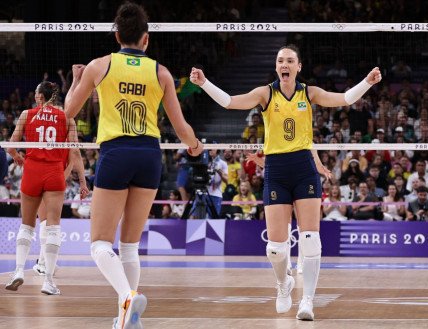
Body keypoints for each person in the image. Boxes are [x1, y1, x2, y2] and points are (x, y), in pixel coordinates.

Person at [190, 45, 381, 320]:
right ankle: (283, 284)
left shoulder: (309, 92)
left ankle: (308, 301)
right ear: (276, 66)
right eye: (281, 60)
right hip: (277, 169)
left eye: (290, 60)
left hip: (303, 167)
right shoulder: (265, 93)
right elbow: (229, 102)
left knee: (311, 240)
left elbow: (345, 99)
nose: (285, 64)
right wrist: (204, 82)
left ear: (298, 66)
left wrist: (367, 82)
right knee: (276, 248)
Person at [64, 3, 203, 328]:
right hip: (149, 156)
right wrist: (196, 147)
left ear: (116, 35)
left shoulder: (100, 66)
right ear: (145, 39)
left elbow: (68, 112)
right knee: (129, 245)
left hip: (116, 153)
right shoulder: (161, 72)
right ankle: (127, 318)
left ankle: (127, 298)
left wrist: (77, 81)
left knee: (99, 243)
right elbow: (182, 129)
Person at [5, 81, 87, 295]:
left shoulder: (26, 114)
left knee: (26, 226)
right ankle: (48, 281)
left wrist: (20, 159)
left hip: (32, 170)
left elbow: (11, 146)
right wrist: (83, 182)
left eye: (35, 93)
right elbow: (75, 153)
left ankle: (18, 271)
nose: (34, 96)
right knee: (53, 228)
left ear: (41, 96)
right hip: (54, 173)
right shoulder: (67, 118)